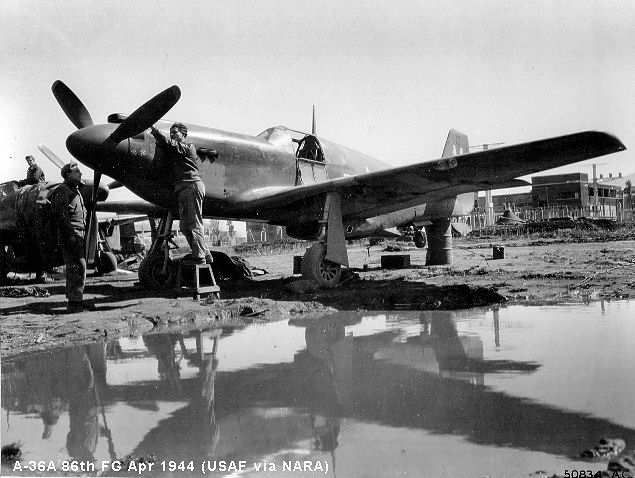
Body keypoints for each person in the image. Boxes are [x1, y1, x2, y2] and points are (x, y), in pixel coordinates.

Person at [150, 122, 211, 265]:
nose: (172, 135)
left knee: (194, 223)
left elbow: (170, 145)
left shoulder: (188, 148)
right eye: (170, 133)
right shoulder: (176, 152)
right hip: (183, 188)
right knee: (184, 226)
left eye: (175, 132)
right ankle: (206, 254)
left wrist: (155, 131)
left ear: (183, 135)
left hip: (192, 185)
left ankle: (200, 257)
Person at [51, 163, 93, 313]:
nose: (81, 174)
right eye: (77, 172)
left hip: (77, 233)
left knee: (77, 267)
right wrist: (70, 235)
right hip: (71, 234)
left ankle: (76, 300)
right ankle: (74, 303)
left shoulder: (75, 190)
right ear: (68, 174)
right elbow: (61, 215)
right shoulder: (63, 190)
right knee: (78, 266)